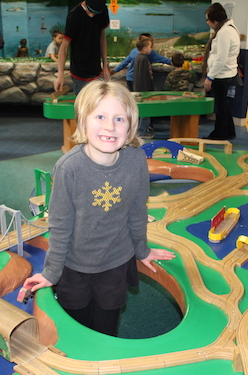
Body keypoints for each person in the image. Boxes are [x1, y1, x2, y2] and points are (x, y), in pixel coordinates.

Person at [23, 81, 175, 336]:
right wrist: (51, 272)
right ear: (83, 122)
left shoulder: (136, 160)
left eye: (119, 119)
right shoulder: (68, 168)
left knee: (106, 328)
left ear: (130, 126)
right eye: (100, 116)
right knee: (77, 328)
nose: (109, 127)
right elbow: (60, 226)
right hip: (74, 266)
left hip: (115, 262)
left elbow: (137, 212)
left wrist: (142, 250)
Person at [53, 0, 110, 95]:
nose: (92, 15)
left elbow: (102, 39)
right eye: (90, 12)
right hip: (79, 73)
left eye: (95, 13)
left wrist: (105, 66)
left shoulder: (103, 10)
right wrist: (60, 75)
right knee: (82, 107)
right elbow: (64, 48)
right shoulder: (75, 15)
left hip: (97, 71)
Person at [202, 3, 240, 140]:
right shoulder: (229, 29)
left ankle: (219, 134)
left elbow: (221, 58)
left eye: (208, 20)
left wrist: (210, 77)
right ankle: (229, 131)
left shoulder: (224, 33)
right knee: (224, 105)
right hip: (225, 74)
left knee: (220, 107)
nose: (207, 23)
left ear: (215, 21)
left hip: (221, 75)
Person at [133, 38, 154, 139]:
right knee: (146, 112)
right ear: (145, 48)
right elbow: (142, 76)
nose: (151, 49)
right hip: (143, 90)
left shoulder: (139, 58)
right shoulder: (142, 59)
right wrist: (146, 91)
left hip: (140, 89)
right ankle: (142, 132)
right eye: (150, 47)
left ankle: (141, 131)